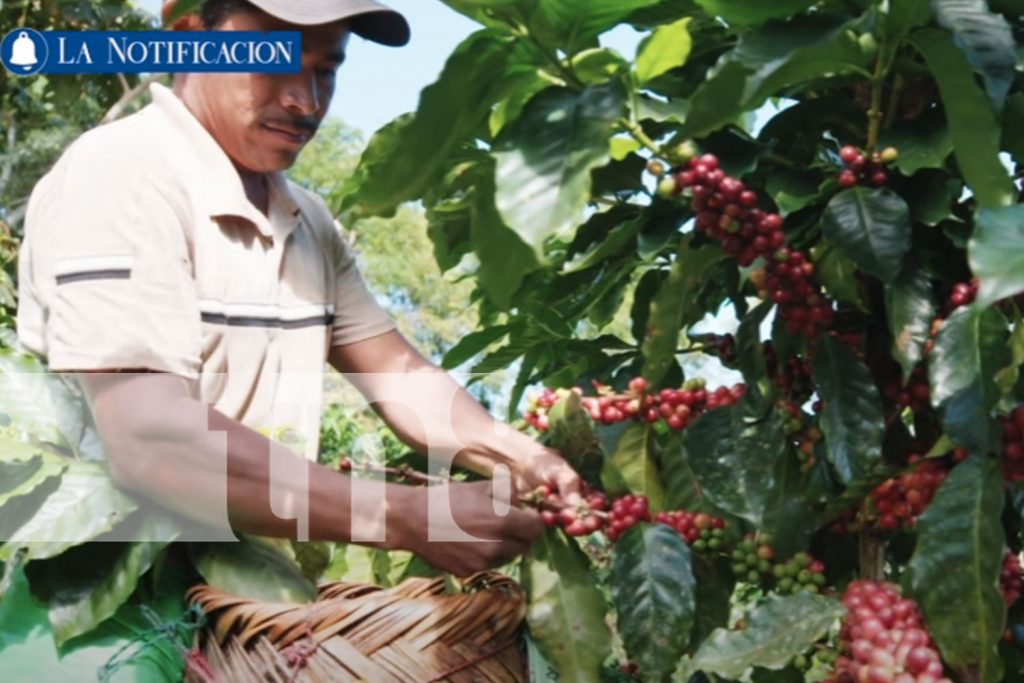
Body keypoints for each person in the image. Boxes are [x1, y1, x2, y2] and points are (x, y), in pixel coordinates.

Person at [15, 0, 581, 577]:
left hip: (249, 614)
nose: (305, 101)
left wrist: (526, 459)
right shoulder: (125, 174)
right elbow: (150, 440)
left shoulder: (307, 221)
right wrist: (405, 515)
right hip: (111, 626)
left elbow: (402, 380)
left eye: (325, 70)